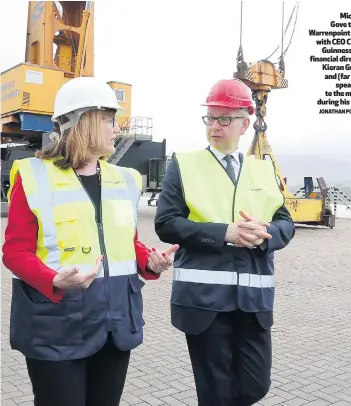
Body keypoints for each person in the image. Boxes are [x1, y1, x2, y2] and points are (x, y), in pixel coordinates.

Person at [2, 76, 178, 406]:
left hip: (114, 324)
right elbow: (14, 251)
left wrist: (148, 261)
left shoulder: (124, 179)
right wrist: (53, 278)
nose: (117, 129)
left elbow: (127, 242)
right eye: (110, 119)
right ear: (84, 122)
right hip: (56, 324)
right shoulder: (34, 175)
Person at [154, 78, 295, 406]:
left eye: (225, 119)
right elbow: (166, 223)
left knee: (254, 386)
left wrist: (265, 236)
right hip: (204, 300)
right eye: (211, 118)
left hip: (253, 301)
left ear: (246, 123)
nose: (215, 126)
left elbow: (286, 223)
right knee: (216, 393)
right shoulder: (184, 165)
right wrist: (223, 233)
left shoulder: (263, 169)